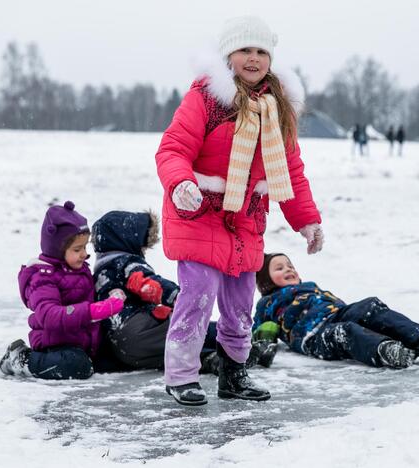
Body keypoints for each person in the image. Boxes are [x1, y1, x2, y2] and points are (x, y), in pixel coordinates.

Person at [155, 16, 323, 406]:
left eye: (261, 51)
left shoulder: (277, 110)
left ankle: (233, 373)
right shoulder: (206, 99)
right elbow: (173, 149)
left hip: (245, 220)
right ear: (228, 57)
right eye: (245, 50)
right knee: (197, 295)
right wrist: (181, 183)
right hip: (199, 212)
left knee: (239, 304)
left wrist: (307, 219)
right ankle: (181, 375)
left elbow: (291, 170)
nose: (253, 58)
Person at [91, 209, 277, 372]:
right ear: (125, 239)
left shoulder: (102, 271)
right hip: (140, 328)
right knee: (193, 328)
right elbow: (148, 284)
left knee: (173, 356)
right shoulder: (126, 264)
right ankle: (243, 349)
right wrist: (182, 297)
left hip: (123, 347)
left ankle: (211, 361)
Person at [0, 201, 126, 380]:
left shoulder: (80, 270)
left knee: (120, 357)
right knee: (77, 366)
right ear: (57, 250)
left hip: (84, 342)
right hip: (55, 344)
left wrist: (112, 294)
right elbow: (49, 315)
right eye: (77, 249)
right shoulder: (43, 277)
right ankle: (22, 359)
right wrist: (92, 311)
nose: (84, 253)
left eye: (84, 247)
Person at [253, 253, 419, 369]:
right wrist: (264, 345)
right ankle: (386, 350)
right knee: (345, 332)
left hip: (336, 313)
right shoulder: (268, 303)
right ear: (265, 281)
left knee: (370, 306)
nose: (288, 269)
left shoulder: (309, 286)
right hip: (312, 335)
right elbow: (263, 328)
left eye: (290, 265)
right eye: (279, 268)